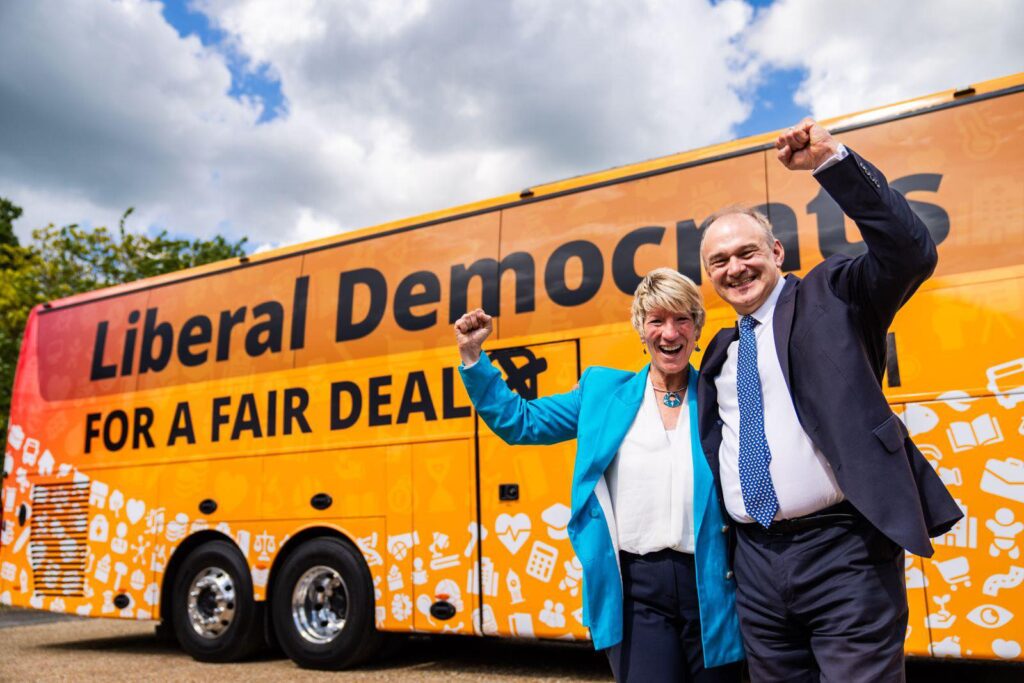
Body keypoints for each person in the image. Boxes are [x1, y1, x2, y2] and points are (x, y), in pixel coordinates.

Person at [697, 118, 963, 682]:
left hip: (845, 555)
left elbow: (910, 252)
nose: (734, 268)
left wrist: (831, 161)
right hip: (758, 565)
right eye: (719, 262)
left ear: (775, 250)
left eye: (746, 252)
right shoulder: (718, 353)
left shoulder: (835, 294)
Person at [455, 268, 744, 682]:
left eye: (682, 319)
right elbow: (518, 421)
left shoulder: (720, 395)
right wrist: (472, 357)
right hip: (636, 590)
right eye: (656, 320)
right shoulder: (602, 392)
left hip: (713, 582)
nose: (669, 332)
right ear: (640, 330)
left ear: (697, 329)